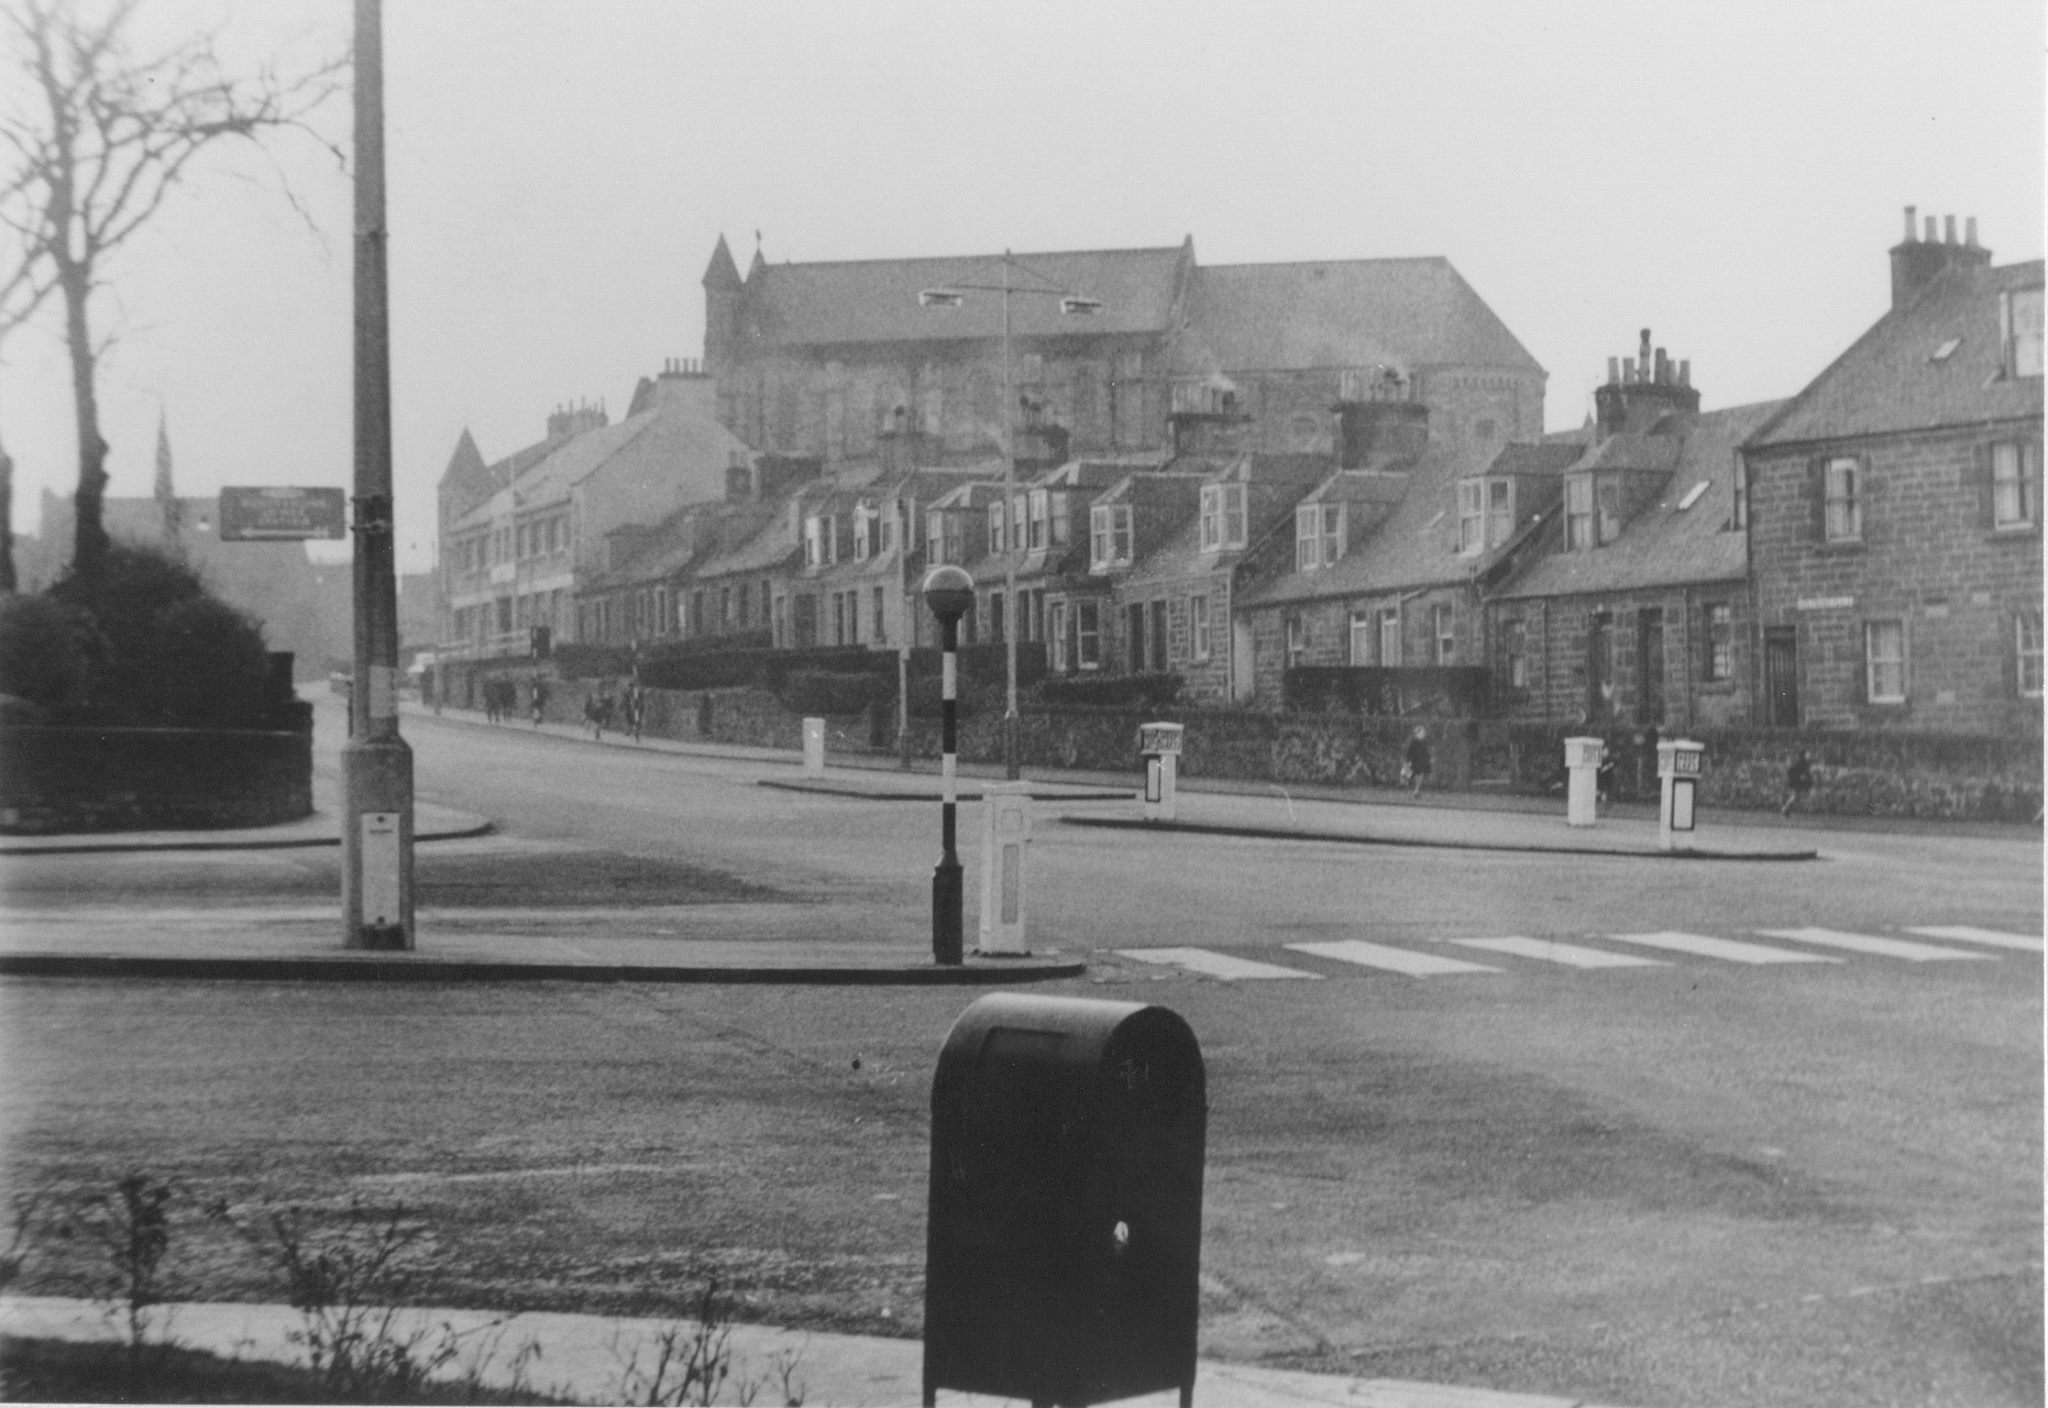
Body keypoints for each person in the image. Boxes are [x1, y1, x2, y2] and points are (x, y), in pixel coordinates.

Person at [1781, 750, 1815, 816]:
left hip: (1800, 782)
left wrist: (1808, 779)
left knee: (1796, 797)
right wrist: (1798, 777)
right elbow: (1791, 771)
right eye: (1807, 755)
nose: (1809, 757)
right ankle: (1786, 808)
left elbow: (1807, 774)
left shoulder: (1805, 764)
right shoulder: (1800, 763)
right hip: (1796, 782)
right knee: (1796, 797)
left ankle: (1786, 809)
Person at [1402, 725, 1432, 799]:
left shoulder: (1423, 742)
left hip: (1421, 762)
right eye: (1422, 733)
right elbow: (1409, 752)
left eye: (1423, 733)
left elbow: (1426, 752)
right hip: (1414, 761)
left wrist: (1429, 759)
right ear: (1417, 734)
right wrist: (1407, 761)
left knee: (1420, 775)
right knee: (1412, 775)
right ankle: (1412, 789)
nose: (1423, 734)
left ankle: (1416, 791)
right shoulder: (1413, 742)